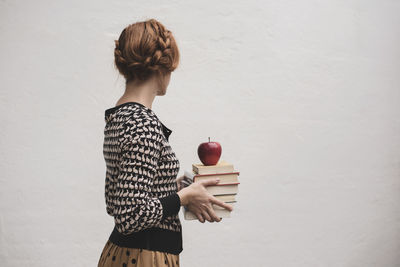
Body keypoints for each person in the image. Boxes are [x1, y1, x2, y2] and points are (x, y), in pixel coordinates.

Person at [97, 18, 233, 267]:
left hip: (126, 254)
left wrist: (177, 189)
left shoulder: (119, 116)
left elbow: (120, 199)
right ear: (161, 68)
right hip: (144, 257)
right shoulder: (142, 122)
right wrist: (183, 198)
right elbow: (130, 216)